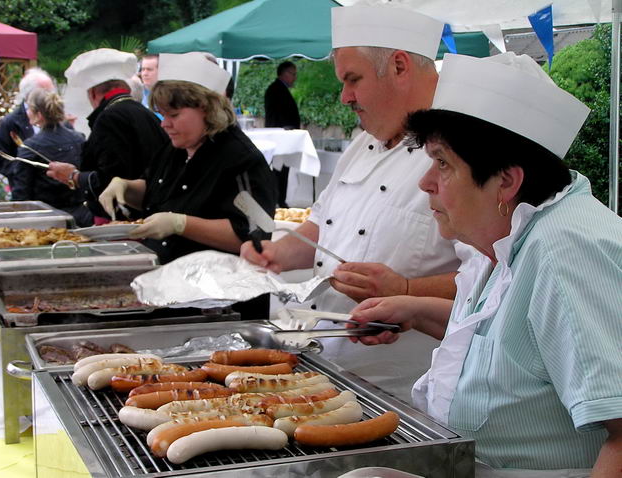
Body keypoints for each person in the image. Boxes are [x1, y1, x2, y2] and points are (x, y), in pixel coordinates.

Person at [349, 52, 622, 476]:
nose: (426, 181)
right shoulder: (504, 238)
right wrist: (416, 310)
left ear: (507, 181)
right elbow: (517, 345)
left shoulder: (564, 251)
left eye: (443, 163)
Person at [241, 4, 465, 404]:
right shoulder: (364, 143)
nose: (344, 96)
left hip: (407, 396)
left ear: (399, 66)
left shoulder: (462, 150)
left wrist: (408, 289)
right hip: (326, 373)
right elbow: (322, 223)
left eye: (353, 79)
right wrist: (275, 253)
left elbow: (499, 279)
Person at [98, 52, 276, 318]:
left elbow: (255, 234)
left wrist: (181, 224)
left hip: (219, 304)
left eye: (174, 115)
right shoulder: (175, 149)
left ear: (208, 109)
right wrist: (125, 187)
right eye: (161, 115)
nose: (165, 124)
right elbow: (155, 192)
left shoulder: (240, 158)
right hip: (172, 292)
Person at [46, 48, 168, 221]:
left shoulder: (110, 118)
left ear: (93, 93)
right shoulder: (144, 113)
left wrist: (74, 176)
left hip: (123, 219)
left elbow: (110, 179)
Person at [14, 88, 93, 227]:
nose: (27, 113)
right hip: (82, 215)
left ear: (39, 115)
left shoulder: (30, 147)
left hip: (46, 219)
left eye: (30, 109)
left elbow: (22, 191)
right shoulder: (79, 139)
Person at [0, 67, 56, 199]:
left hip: (55, 190)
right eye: (46, 92)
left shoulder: (56, 118)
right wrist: (22, 171)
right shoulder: (11, 122)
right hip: (28, 192)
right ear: (29, 94)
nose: (51, 96)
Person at [264, 60, 300, 207]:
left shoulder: (278, 89)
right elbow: (277, 115)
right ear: (284, 74)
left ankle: (279, 199)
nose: (295, 77)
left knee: (282, 169)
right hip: (280, 136)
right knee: (279, 169)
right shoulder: (276, 89)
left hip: (282, 135)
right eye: (293, 73)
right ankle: (277, 200)